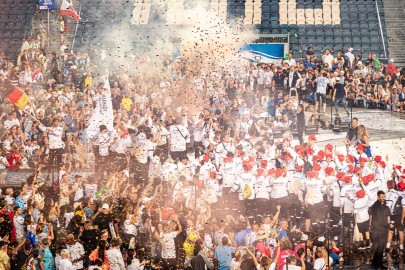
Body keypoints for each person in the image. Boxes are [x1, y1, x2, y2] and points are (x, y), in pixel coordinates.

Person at [370, 190, 391, 268]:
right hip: (379, 229)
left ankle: (375, 262)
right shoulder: (376, 207)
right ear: (378, 197)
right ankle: (378, 264)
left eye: (384, 196)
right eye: (381, 197)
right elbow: (379, 219)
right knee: (380, 247)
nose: (383, 198)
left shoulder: (381, 206)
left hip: (379, 228)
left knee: (380, 247)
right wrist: (388, 225)